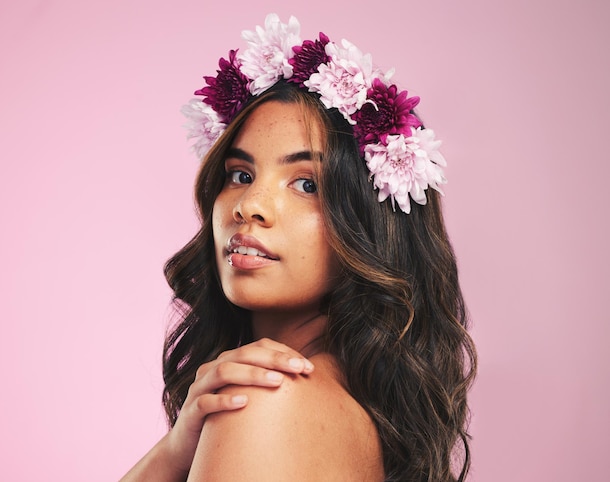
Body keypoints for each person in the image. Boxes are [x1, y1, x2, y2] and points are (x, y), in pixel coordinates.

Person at [121, 13, 477, 482]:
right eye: (240, 175)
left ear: (367, 224)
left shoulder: (264, 399)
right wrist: (172, 451)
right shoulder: (350, 406)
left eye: (306, 184)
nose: (250, 205)